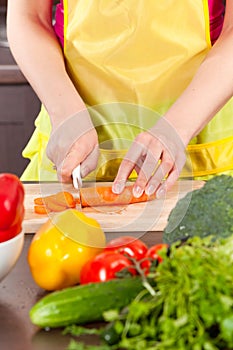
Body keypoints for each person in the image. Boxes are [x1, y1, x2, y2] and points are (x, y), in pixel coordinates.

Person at [7, 0, 233, 199]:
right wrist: (64, 112)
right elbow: (29, 16)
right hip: (73, 139)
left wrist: (179, 126)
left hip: (199, 141)